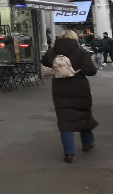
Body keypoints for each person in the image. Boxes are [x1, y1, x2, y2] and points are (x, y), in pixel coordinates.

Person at [41, 30, 97, 164]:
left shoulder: (53, 51)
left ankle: (69, 153)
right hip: (80, 89)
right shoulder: (81, 52)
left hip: (60, 89)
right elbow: (91, 71)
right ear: (74, 38)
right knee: (83, 115)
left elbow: (45, 62)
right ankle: (87, 143)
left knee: (64, 120)